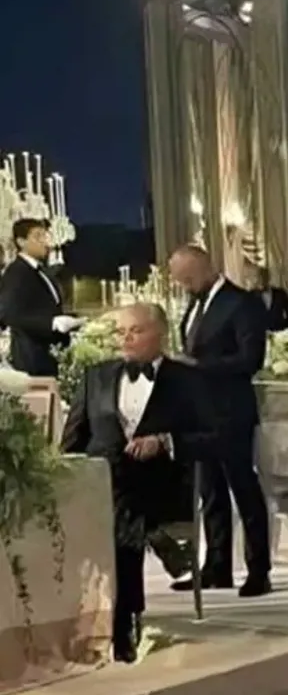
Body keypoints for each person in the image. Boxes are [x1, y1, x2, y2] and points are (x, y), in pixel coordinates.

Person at [60, 303, 217, 662]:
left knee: (121, 513)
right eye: (121, 332)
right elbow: (73, 440)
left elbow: (214, 437)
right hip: (103, 484)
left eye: (136, 331)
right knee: (120, 512)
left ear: (160, 333)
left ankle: (122, 624)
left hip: (161, 485)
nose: (126, 338)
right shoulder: (96, 376)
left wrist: (165, 442)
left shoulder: (188, 380)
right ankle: (156, 549)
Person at [167, 245, 272, 597]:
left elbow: (251, 359)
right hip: (200, 414)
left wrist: (199, 367)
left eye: (187, 278)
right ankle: (216, 566)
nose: (184, 286)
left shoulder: (242, 303)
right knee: (210, 493)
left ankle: (258, 569)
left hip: (231, 411)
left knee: (244, 489)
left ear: (204, 267)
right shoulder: (195, 304)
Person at [0, 219, 82, 375]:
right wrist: (51, 323)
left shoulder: (42, 271)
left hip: (52, 355)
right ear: (21, 242)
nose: (45, 242)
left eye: (45, 236)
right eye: (38, 236)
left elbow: (46, 308)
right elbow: (9, 315)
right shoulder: (16, 272)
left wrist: (73, 320)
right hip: (32, 359)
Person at [250, 266, 288, 332]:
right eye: (259, 277)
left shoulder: (280, 294)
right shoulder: (250, 296)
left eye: (264, 277)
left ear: (269, 278)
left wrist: (286, 330)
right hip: (259, 335)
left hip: (279, 334)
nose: (261, 280)